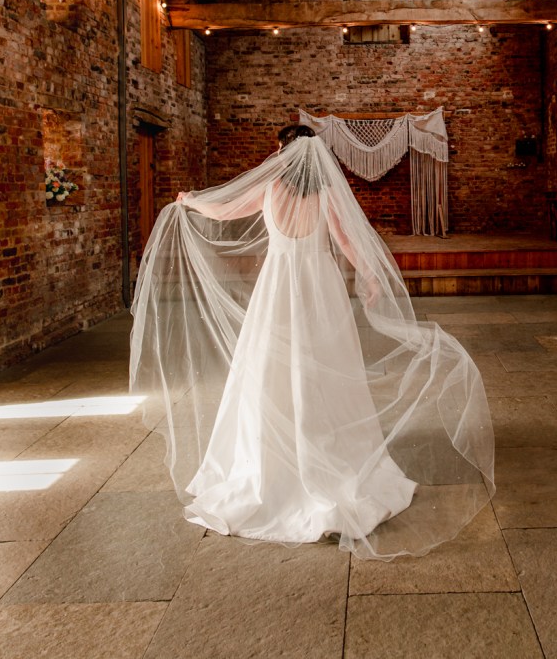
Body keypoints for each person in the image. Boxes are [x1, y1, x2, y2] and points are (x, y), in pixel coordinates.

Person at [130, 124, 494, 560]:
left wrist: (189, 201)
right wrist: (371, 275)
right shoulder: (325, 196)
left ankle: (269, 461)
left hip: (278, 288)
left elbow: (224, 212)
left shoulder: (267, 190)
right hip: (320, 290)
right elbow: (346, 241)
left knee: (269, 371)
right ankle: (332, 452)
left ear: (282, 153)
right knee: (325, 370)